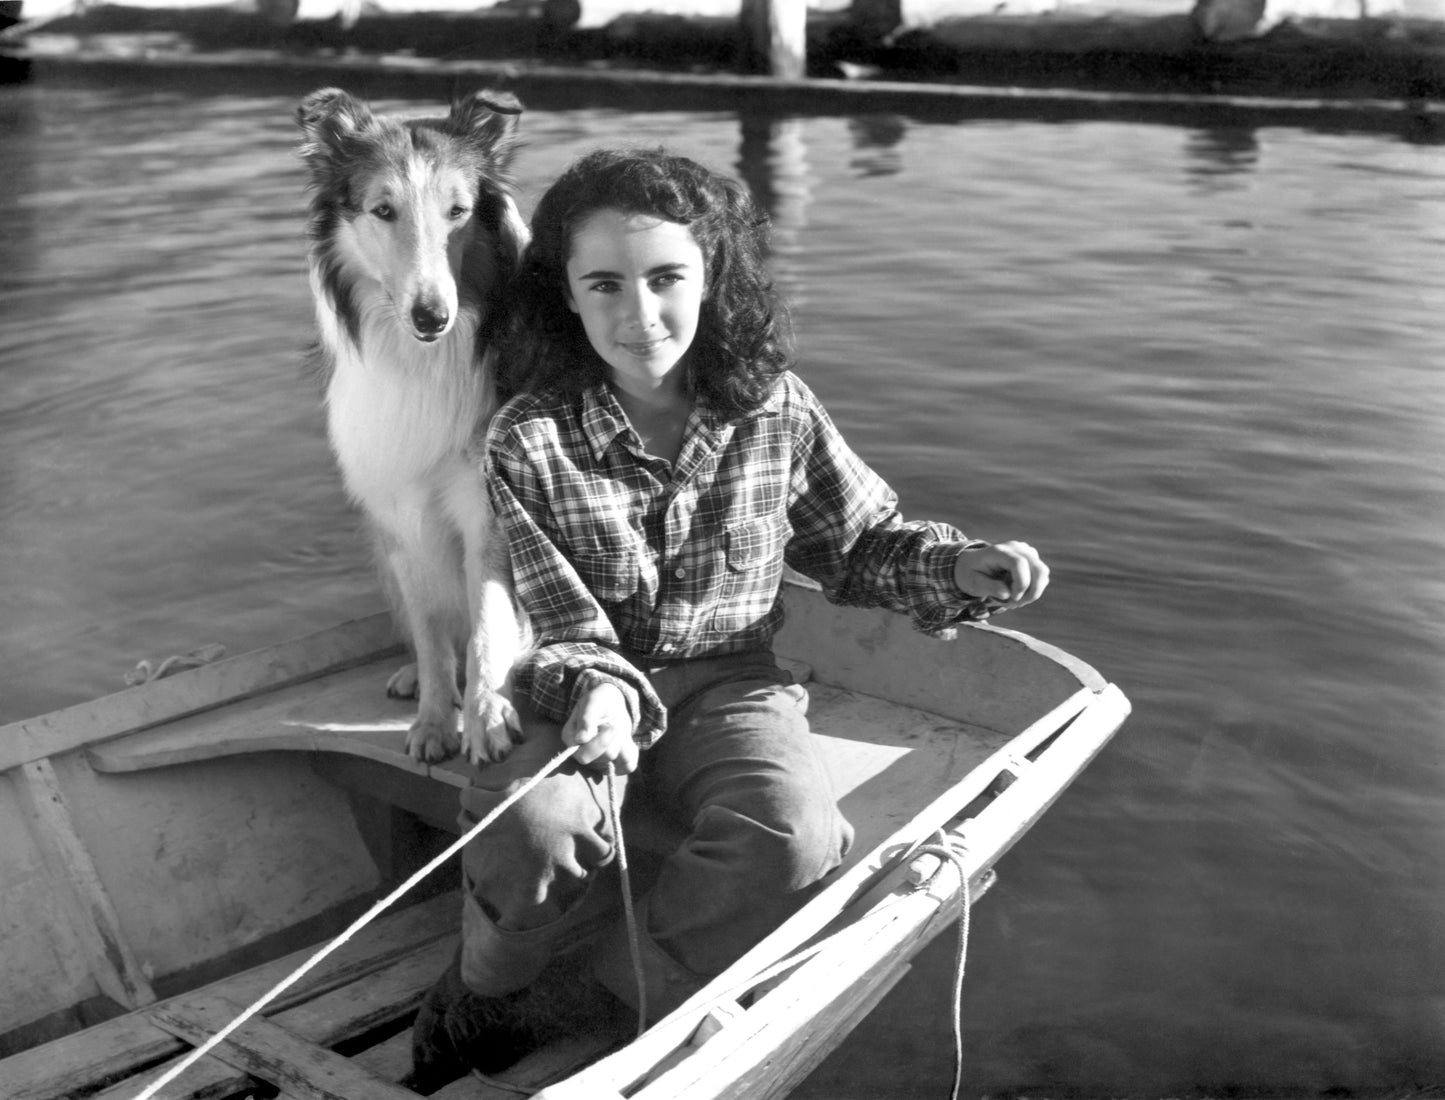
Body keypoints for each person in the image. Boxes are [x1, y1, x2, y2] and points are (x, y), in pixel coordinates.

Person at [409, 146, 1049, 1084]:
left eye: (667, 278)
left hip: (731, 682)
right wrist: (597, 687)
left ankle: (602, 992)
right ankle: (483, 993)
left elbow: (860, 543)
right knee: (529, 830)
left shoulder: (774, 408)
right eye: (605, 285)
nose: (640, 315)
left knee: (793, 842)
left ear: (714, 276)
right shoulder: (526, 437)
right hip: (571, 690)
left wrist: (959, 566)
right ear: (567, 297)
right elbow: (553, 617)